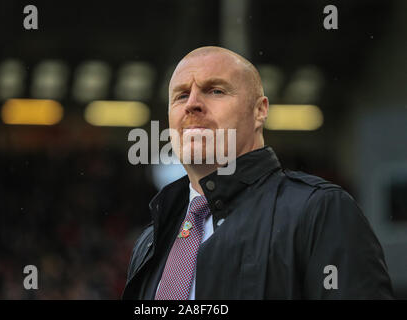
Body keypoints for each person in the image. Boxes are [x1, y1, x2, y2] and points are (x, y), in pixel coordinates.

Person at [122, 46, 394, 299]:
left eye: (215, 90)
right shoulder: (150, 241)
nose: (192, 104)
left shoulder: (320, 211)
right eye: (181, 95)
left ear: (260, 110)